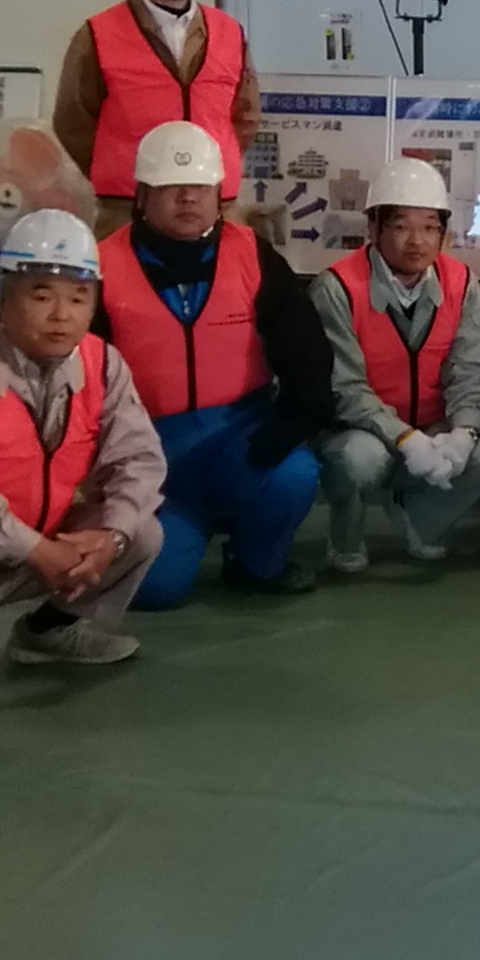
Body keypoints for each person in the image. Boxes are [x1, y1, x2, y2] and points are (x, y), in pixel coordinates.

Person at [0, 211, 168, 664]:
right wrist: (36, 550)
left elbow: (139, 459)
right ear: (3, 297)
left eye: (79, 297)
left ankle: (49, 632)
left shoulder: (102, 362)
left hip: (37, 542)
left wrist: (112, 537)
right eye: (41, 296)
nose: (62, 315)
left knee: (140, 530)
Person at [92, 122, 330, 605]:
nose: (188, 198)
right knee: (157, 590)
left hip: (240, 438)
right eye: (172, 187)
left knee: (294, 474)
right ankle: (180, 535)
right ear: (142, 195)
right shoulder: (100, 265)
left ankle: (256, 562)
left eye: (200, 187)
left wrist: (295, 420)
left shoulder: (253, 255)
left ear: (218, 193)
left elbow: (304, 347)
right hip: (147, 452)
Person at [310, 158, 480, 571]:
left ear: (443, 233)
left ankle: (418, 520)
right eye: (401, 226)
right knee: (359, 460)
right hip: (360, 430)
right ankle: (346, 537)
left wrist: (463, 432)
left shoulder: (461, 282)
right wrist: (404, 439)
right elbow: (343, 386)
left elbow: (472, 369)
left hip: (432, 424)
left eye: (430, 227)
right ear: (373, 228)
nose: (417, 241)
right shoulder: (337, 287)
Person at [54, 0, 259, 235]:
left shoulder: (229, 33)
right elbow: (73, 123)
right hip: (127, 215)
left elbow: (245, 117)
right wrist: (124, 170)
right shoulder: (98, 35)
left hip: (216, 212)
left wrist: (204, 170)